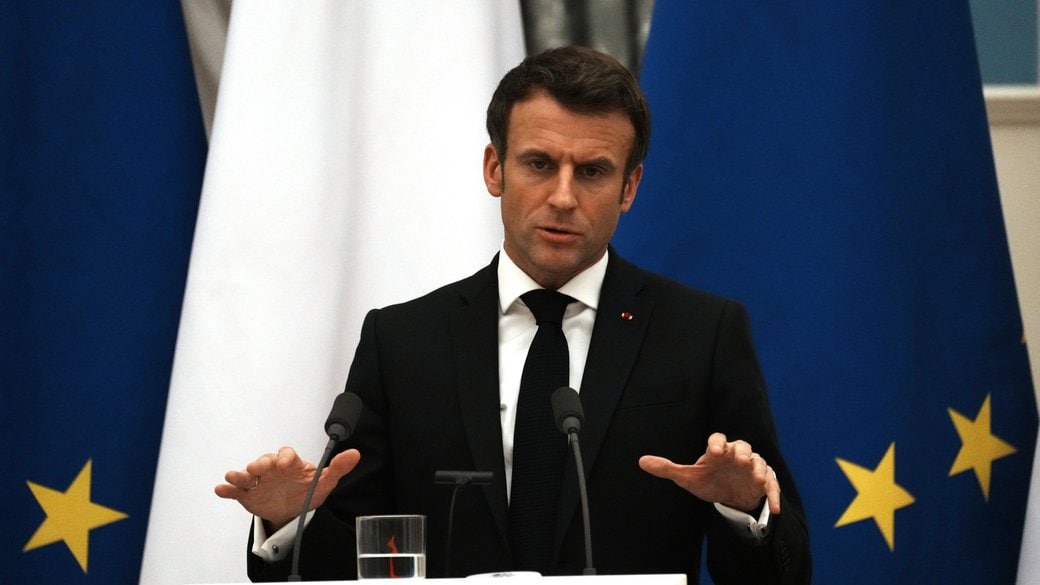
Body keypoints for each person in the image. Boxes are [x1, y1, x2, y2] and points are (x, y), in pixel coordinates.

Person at [217, 45, 811, 583]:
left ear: (629, 188)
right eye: (539, 164)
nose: (563, 197)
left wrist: (745, 510)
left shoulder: (701, 334)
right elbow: (355, 560)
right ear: (494, 169)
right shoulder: (402, 341)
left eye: (593, 171)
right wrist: (289, 522)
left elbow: (786, 571)